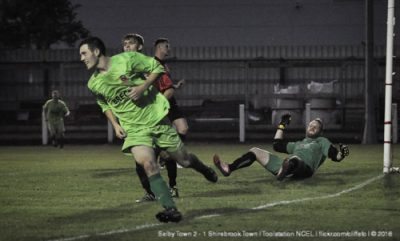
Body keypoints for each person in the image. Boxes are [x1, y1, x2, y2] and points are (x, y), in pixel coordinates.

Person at [79, 36, 217, 223]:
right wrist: (115, 124)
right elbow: (104, 104)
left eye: (84, 53)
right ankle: (171, 209)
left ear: (96, 51)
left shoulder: (127, 59)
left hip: (156, 119)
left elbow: (157, 68)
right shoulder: (93, 83)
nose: (82, 58)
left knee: (184, 160)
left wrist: (142, 86)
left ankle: (204, 169)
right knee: (148, 164)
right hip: (134, 129)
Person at [122, 34, 187, 202]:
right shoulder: (123, 67)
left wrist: (157, 107)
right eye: (125, 44)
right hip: (139, 119)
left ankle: (172, 187)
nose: (127, 47)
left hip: (156, 117)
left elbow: (168, 88)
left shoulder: (151, 64)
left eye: (131, 44)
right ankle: (150, 193)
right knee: (139, 161)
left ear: (140, 47)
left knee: (166, 153)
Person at [214, 114, 350, 181]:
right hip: (286, 165)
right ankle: (229, 168)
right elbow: (277, 145)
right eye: (310, 125)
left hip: (305, 169)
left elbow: (334, 155)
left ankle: (284, 172)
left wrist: (342, 154)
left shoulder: (322, 141)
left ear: (320, 131)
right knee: (255, 151)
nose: (312, 127)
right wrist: (282, 125)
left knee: (295, 159)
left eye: (316, 126)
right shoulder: (298, 143)